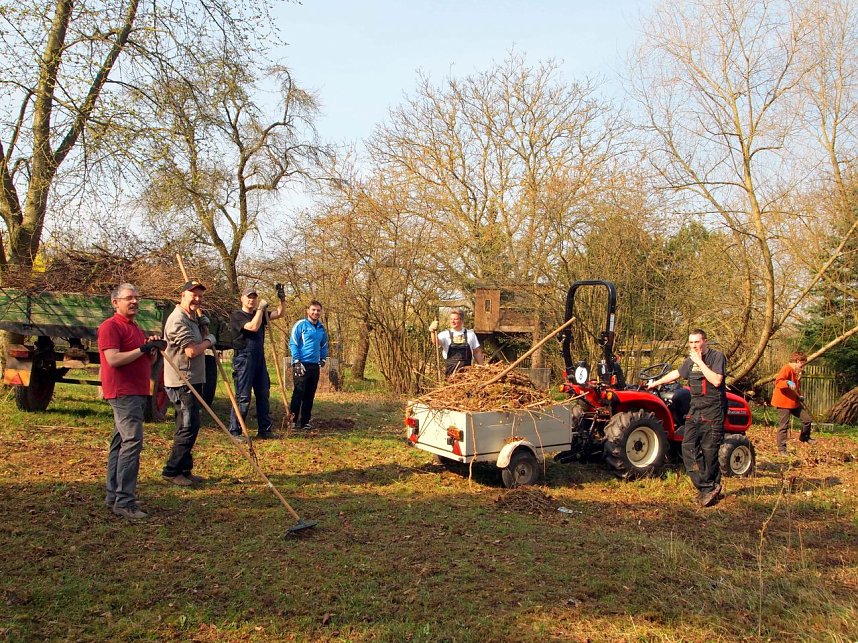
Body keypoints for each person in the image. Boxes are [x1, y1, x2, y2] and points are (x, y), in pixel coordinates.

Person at [98, 283, 166, 520]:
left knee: (119, 442)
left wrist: (152, 349)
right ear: (115, 302)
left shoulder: (135, 327)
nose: (134, 302)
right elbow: (114, 359)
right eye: (129, 298)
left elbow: (145, 358)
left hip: (137, 391)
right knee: (132, 443)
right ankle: (125, 502)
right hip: (122, 392)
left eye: (137, 298)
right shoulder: (110, 326)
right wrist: (142, 348)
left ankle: (113, 495)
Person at [647, 329, 726, 507]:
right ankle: (706, 485)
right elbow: (677, 373)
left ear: (705, 342)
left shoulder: (716, 357)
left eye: (696, 342)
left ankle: (711, 487)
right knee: (688, 447)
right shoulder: (690, 361)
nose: (693, 346)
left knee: (710, 451)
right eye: (690, 343)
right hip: (695, 409)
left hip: (713, 411)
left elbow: (716, 381)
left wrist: (700, 361)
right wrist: (656, 383)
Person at [161, 279, 217, 486]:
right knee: (188, 427)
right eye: (193, 294)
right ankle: (171, 471)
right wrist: (210, 340)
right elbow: (192, 351)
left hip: (193, 379)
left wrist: (203, 327)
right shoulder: (177, 320)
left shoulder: (192, 318)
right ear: (182, 295)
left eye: (200, 295)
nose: (197, 298)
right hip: (182, 381)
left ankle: (185, 469)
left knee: (189, 425)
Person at [228, 284, 284, 440]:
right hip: (244, 359)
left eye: (254, 297)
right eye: (249, 297)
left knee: (263, 394)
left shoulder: (260, 314)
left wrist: (282, 299)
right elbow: (252, 327)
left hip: (259, 359)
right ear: (242, 299)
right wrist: (260, 310)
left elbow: (279, 314)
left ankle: (265, 430)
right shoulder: (237, 316)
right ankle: (235, 431)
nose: (252, 300)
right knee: (243, 397)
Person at [288, 300, 329, 430]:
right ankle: (293, 421)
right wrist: (297, 361)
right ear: (308, 311)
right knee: (299, 393)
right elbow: (293, 342)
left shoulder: (321, 328)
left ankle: (305, 422)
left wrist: (323, 359)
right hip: (301, 364)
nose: (315, 312)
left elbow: (324, 344)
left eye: (318, 310)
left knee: (310, 394)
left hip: (314, 365)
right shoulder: (301, 325)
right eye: (313, 310)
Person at [771, 351, 812, 455]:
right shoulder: (786, 368)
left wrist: (800, 395)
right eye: (803, 363)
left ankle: (804, 437)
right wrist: (787, 382)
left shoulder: (797, 371)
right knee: (783, 426)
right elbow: (778, 382)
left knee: (807, 420)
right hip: (783, 402)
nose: (803, 365)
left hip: (794, 402)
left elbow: (796, 388)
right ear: (798, 361)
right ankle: (782, 450)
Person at [429, 309, 485, 377]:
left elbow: (477, 352)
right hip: (450, 373)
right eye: (451, 319)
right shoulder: (444, 334)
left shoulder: (470, 334)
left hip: (467, 373)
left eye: (455, 319)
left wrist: (481, 367)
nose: (452, 321)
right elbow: (436, 342)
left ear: (462, 321)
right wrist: (432, 332)